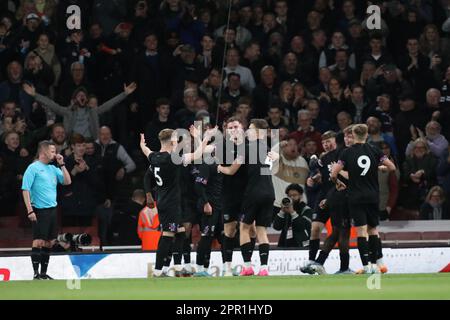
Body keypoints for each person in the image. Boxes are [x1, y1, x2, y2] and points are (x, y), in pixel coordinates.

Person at [140, 126, 215, 277]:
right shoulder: (172, 159)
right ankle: (158, 271)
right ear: (173, 141)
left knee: (180, 233)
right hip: (170, 203)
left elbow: (145, 150)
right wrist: (204, 138)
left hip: (164, 200)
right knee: (167, 235)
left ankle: (178, 267)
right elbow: (198, 154)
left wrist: (142, 144)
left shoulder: (154, 157)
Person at [331, 124, 396, 274]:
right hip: (373, 196)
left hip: (355, 196)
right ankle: (379, 262)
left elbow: (334, 173)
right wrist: (378, 168)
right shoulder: (375, 150)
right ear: (367, 135)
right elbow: (392, 167)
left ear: (353, 135)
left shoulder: (347, 153)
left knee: (361, 231)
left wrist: (338, 183)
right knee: (373, 229)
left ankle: (367, 266)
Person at [218, 119, 277, 277]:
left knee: (244, 228)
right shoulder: (267, 149)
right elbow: (267, 170)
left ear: (257, 132)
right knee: (262, 231)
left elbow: (231, 171)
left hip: (253, 193)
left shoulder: (245, 148)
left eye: (250, 129)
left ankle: (247, 266)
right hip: (270, 192)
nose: (248, 131)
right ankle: (264, 268)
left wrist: (218, 167)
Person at [22, 141, 71, 280]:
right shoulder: (33, 168)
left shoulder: (53, 168)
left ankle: (43, 273)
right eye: (53, 151)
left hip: (52, 210)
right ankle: (36, 273)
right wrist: (30, 210)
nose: (55, 154)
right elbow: (25, 189)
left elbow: (67, 181)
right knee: (38, 241)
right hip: (39, 210)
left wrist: (62, 164)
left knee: (49, 242)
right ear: (43, 152)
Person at [23, 82, 137, 139]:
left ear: (86, 99)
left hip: (90, 143)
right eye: (79, 95)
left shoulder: (93, 111)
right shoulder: (67, 111)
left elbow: (109, 105)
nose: (82, 97)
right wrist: (35, 95)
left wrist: (124, 94)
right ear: (74, 99)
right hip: (73, 142)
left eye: (84, 95)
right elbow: (52, 105)